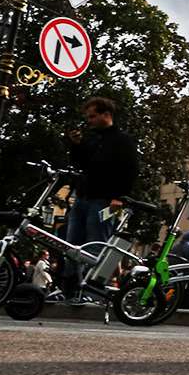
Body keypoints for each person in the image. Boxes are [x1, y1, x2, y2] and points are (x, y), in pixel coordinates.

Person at [63, 96, 138, 300]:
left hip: (105, 200)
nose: (90, 120)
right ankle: (70, 290)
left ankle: (90, 290)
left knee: (96, 243)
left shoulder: (122, 140)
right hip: (83, 197)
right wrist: (77, 145)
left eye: (93, 116)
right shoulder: (92, 139)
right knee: (71, 245)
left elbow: (130, 170)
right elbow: (81, 164)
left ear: (107, 115)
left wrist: (119, 197)